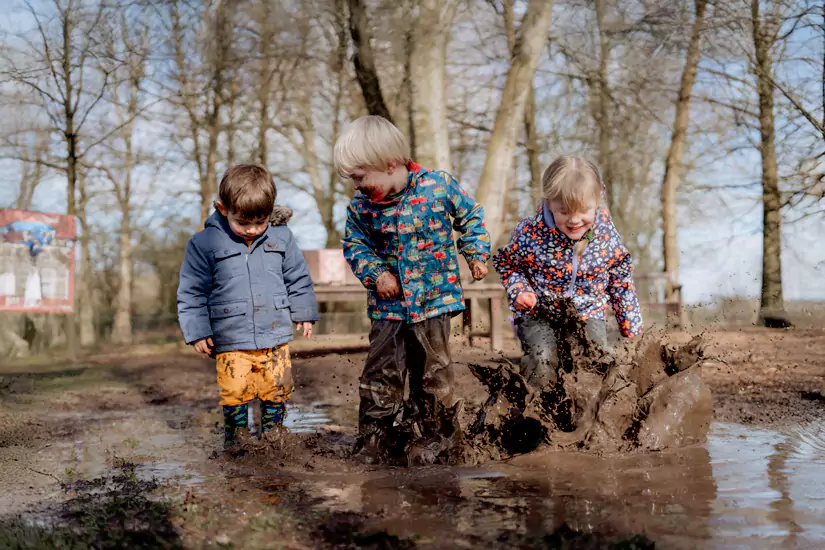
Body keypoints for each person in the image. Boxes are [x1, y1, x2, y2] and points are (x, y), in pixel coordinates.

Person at [337, 115, 491, 460]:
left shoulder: (438, 186)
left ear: (390, 164)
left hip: (434, 301)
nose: (356, 186)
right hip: (387, 307)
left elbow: (471, 217)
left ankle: (437, 437)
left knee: (433, 372)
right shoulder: (360, 208)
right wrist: (377, 274)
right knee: (381, 371)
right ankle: (376, 437)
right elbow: (355, 245)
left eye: (360, 177)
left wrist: (475, 252)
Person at [177, 164, 318, 448]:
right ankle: (238, 439)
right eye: (243, 223)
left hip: (275, 334)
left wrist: (303, 312)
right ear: (223, 208)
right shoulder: (204, 244)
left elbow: (298, 277)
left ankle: (273, 434)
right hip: (231, 338)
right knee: (235, 389)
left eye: (260, 222)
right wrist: (197, 330)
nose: (252, 230)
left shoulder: (282, 238)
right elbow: (192, 291)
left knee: (277, 387)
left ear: (269, 211)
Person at [493, 155, 643, 390]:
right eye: (564, 212)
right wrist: (520, 290)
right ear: (549, 202)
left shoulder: (606, 238)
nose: (574, 221)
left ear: (599, 197)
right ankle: (538, 414)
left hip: (588, 312)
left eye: (583, 211)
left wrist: (630, 325)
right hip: (539, 312)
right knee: (542, 359)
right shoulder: (531, 233)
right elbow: (507, 263)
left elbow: (620, 280)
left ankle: (591, 418)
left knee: (594, 362)